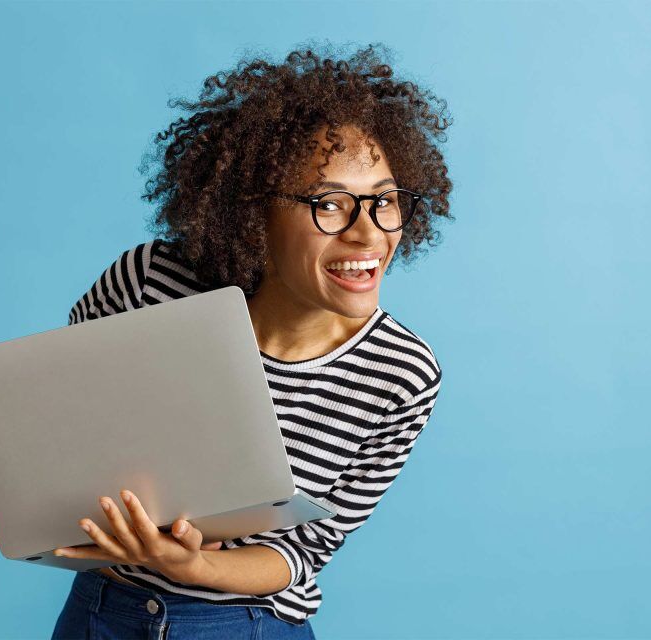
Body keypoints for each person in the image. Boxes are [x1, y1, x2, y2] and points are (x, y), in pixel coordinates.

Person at [50, 41, 453, 640]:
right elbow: (54, 417)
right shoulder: (148, 282)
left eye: (386, 201)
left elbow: (302, 552)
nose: (368, 232)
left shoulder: (401, 374)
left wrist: (190, 563)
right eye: (330, 204)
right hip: (101, 611)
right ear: (254, 212)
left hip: (243, 625)